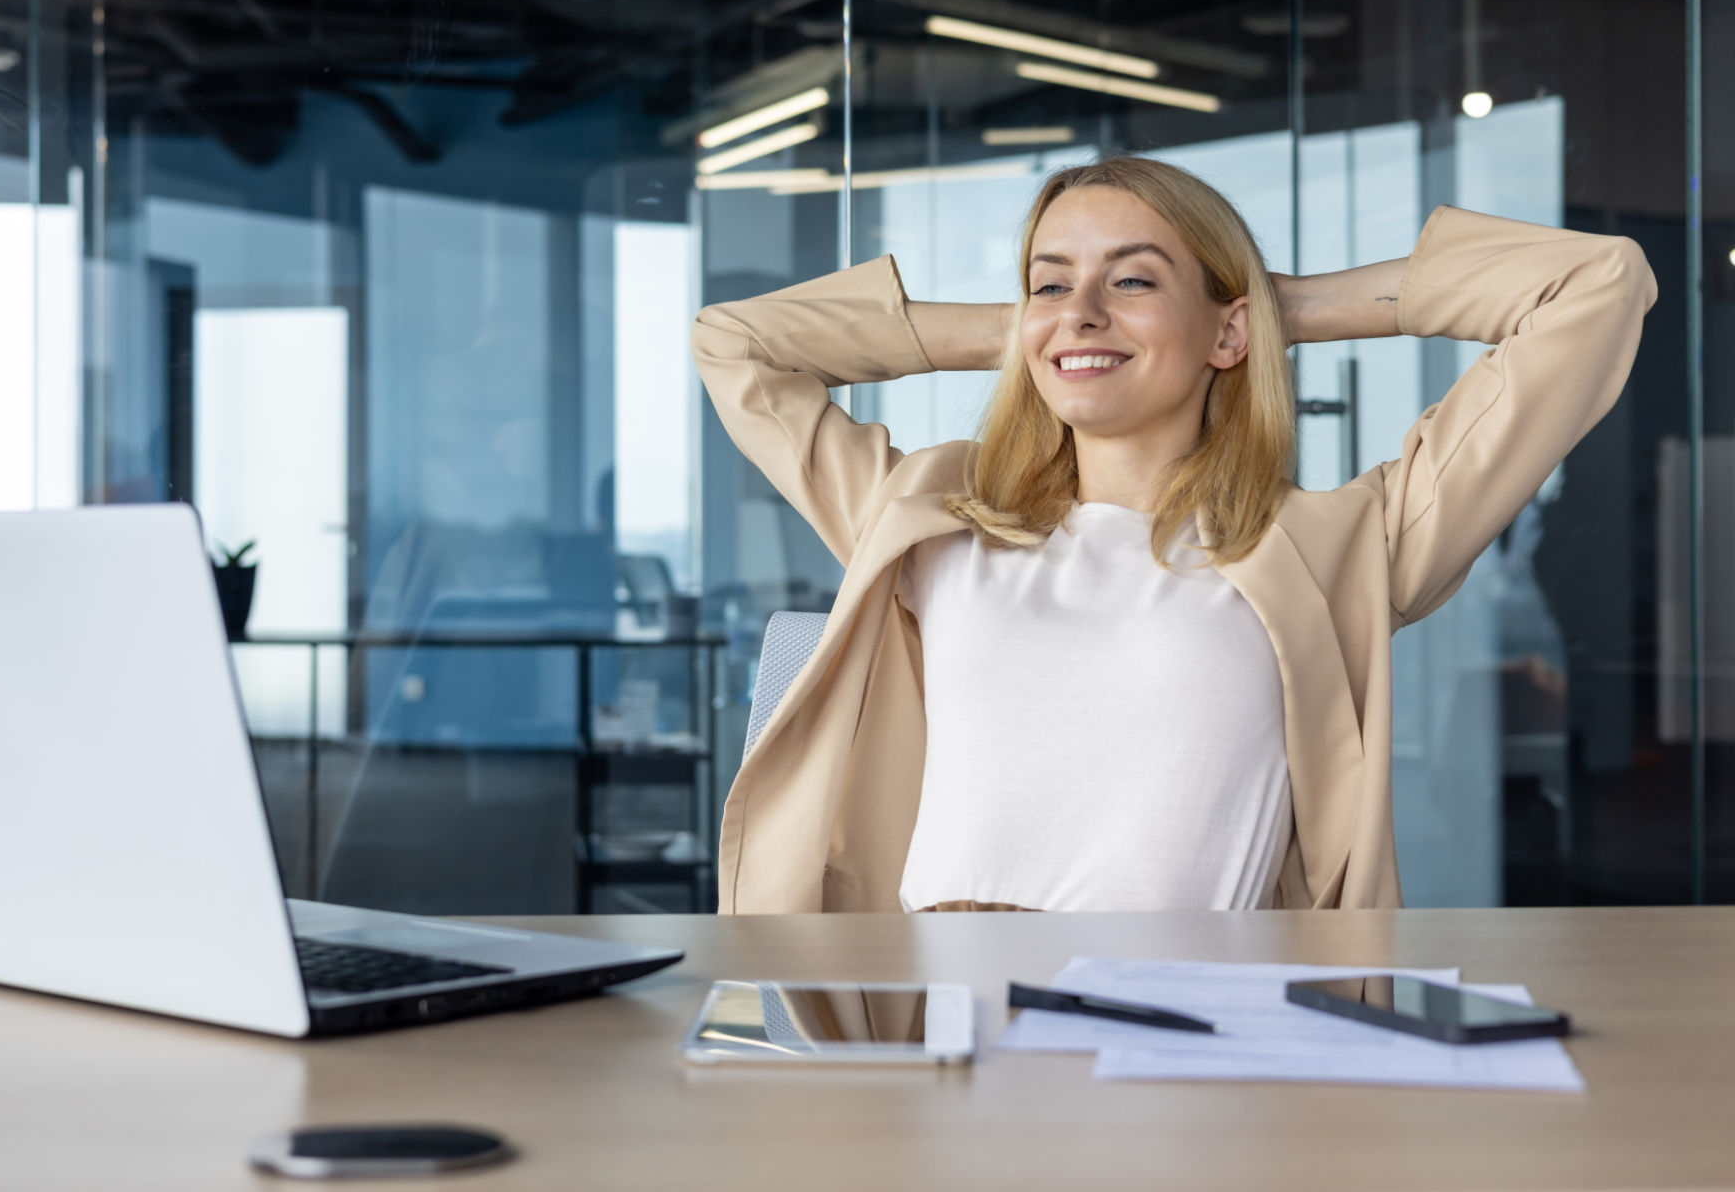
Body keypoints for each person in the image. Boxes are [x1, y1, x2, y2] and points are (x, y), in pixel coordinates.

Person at [692, 156, 1656, 913]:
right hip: (947, 1035)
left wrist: (1278, 311)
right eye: (1050, 282)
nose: (1082, 308)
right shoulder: (929, 517)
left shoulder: (1336, 548)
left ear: (1229, 335)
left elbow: (1595, 283)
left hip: (1194, 1035)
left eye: (1133, 279)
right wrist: (1040, 333)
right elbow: (735, 343)